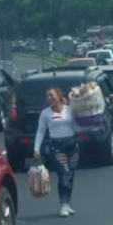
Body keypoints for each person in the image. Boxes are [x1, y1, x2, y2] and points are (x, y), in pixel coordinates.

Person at [33, 87, 79, 216]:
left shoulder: (70, 110)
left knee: (71, 175)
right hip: (57, 146)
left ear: (59, 96)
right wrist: (36, 148)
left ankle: (68, 203)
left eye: (51, 95)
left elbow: (78, 124)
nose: (49, 98)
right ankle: (63, 205)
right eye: (47, 96)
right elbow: (41, 131)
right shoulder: (45, 114)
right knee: (63, 173)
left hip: (72, 145)